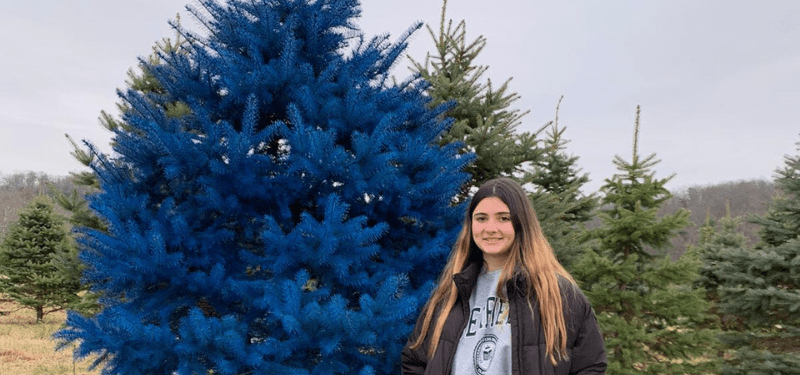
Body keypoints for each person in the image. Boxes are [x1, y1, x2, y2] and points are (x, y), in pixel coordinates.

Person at [401, 178, 606, 375]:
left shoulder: (559, 293)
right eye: (481, 218)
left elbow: (590, 366)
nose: (491, 228)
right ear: (471, 225)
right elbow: (414, 361)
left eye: (504, 218)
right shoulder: (449, 295)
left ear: (521, 224)